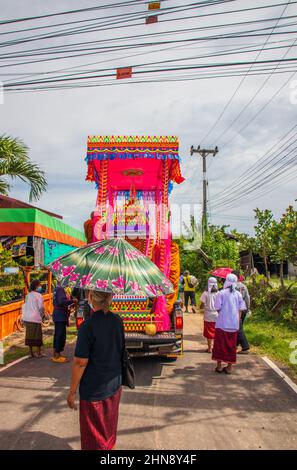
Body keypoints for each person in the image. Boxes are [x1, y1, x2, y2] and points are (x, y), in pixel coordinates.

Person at [67, 290, 125, 451]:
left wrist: (72, 392)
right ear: (111, 297)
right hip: (114, 385)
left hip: (94, 390)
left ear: (91, 298)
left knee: (93, 437)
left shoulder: (88, 326)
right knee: (109, 428)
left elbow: (80, 362)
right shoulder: (118, 321)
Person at [212, 273, 246, 375]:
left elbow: (217, 308)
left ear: (226, 281)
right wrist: (237, 321)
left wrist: (223, 315)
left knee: (219, 345)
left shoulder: (221, 293)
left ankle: (218, 366)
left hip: (222, 324)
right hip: (233, 325)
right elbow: (241, 310)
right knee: (231, 347)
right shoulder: (238, 294)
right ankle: (229, 368)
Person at [52, 283, 77, 363]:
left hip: (58, 314)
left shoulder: (56, 289)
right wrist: (72, 301)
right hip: (60, 315)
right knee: (60, 335)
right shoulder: (60, 289)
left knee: (58, 334)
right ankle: (57, 355)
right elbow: (61, 301)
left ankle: (56, 353)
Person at [22, 279, 45, 358]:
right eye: (40, 285)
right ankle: (39, 353)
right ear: (36, 286)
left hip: (28, 318)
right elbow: (41, 307)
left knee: (29, 335)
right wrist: (42, 315)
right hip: (36, 317)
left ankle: (31, 353)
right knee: (38, 335)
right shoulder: (39, 295)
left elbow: (25, 306)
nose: (40, 286)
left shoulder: (28, 295)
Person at [232, 270, 251, 354]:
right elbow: (247, 298)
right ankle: (235, 345)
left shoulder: (231, 286)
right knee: (239, 327)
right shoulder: (243, 286)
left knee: (238, 328)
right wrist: (248, 308)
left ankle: (245, 346)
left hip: (235, 310)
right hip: (243, 309)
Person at [200, 277, 219, 353]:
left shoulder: (205, 293)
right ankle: (216, 347)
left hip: (208, 314)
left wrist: (202, 306)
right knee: (216, 331)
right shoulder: (219, 293)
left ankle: (209, 348)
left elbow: (202, 305)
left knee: (209, 332)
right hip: (217, 314)